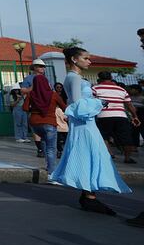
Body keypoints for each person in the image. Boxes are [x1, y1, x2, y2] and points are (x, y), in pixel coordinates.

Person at [49, 48, 131, 215]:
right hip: (84, 125)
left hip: (85, 124)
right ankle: (89, 196)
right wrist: (99, 103)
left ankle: (88, 194)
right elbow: (77, 105)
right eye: (85, 58)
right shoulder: (74, 78)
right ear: (74, 59)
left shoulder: (74, 78)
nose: (89, 61)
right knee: (89, 156)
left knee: (89, 156)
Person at [24, 71, 66, 176]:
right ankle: (51, 171)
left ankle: (48, 166)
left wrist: (33, 109)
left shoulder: (31, 94)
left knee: (44, 142)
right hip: (49, 123)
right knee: (51, 148)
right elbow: (64, 107)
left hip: (35, 124)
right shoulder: (54, 95)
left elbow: (24, 108)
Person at [93, 72, 140, 163]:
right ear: (111, 77)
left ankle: (109, 156)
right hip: (121, 116)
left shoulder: (95, 88)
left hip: (103, 116)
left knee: (104, 137)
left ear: (99, 78)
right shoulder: (121, 89)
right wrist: (135, 117)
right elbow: (129, 104)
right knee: (125, 137)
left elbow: (91, 103)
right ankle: (127, 158)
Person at [21, 60, 47, 156]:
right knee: (36, 128)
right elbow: (23, 90)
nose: (42, 68)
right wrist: (33, 87)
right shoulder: (28, 78)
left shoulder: (46, 78)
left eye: (43, 66)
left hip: (46, 106)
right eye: (40, 66)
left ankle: (46, 147)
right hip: (34, 105)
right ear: (35, 67)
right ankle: (40, 149)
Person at [54, 82, 69, 158]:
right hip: (58, 114)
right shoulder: (54, 95)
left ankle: (65, 150)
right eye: (57, 87)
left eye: (60, 87)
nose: (59, 89)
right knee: (58, 138)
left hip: (64, 113)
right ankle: (60, 150)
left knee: (66, 138)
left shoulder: (64, 95)